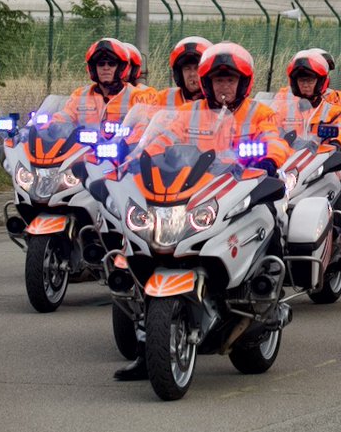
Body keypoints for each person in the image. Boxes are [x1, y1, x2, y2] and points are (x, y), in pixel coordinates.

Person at [114, 42, 291, 381]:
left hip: (242, 187)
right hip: (195, 190)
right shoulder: (191, 113)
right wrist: (137, 158)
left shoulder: (259, 113)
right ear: (207, 83)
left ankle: (270, 292)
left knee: (271, 216)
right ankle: (145, 350)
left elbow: (275, 140)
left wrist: (269, 159)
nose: (224, 87)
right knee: (148, 248)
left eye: (231, 80)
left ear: (243, 83)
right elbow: (162, 137)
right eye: (218, 80)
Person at [271, 50, 341, 312]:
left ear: (321, 82)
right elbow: (269, 129)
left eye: (311, 79)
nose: (306, 84)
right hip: (289, 169)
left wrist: (337, 144)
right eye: (302, 79)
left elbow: (340, 133)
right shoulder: (282, 106)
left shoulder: (331, 108)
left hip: (324, 171)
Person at [57, 38, 155, 127]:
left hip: (124, 146)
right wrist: (52, 124)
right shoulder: (80, 95)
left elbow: (143, 127)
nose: (106, 68)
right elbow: (65, 116)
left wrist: (129, 140)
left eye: (112, 64)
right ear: (93, 68)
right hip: (83, 146)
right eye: (101, 64)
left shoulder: (138, 96)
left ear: (121, 68)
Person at [156, 36, 211, 107]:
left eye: (197, 68)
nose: (192, 74)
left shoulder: (216, 102)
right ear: (179, 74)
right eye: (187, 69)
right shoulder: (164, 98)